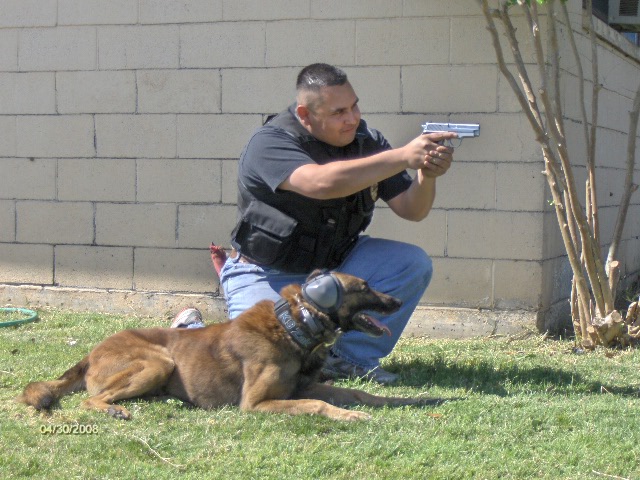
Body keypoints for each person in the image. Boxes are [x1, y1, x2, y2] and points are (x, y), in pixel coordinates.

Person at [173, 63, 455, 385]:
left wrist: (426, 175)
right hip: (268, 272)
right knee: (251, 369)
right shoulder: (270, 143)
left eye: (354, 106)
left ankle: (346, 359)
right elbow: (320, 183)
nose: (352, 118)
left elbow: (412, 209)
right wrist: (404, 156)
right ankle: (188, 330)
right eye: (338, 112)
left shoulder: (367, 141)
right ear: (305, 115)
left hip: (336, 269)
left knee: (410, 263)